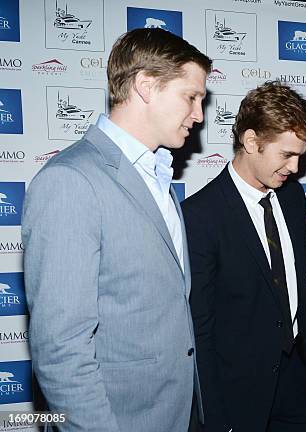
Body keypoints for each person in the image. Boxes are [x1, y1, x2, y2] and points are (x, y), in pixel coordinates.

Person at [22, 28, 211, 431]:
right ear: (146, 86)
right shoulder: (71, 181)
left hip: (177, 414)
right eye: (191, 97)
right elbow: (61, 351)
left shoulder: (159, 176)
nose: (199, 115)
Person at [182, 81, 306, 432]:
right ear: (251, 142)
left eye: (301, 156)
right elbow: (199, 330)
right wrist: (215, 416)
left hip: (295, 378)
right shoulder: (200, 216)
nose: (295, 168)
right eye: (287, 155)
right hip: (238, 391)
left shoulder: (293, 199)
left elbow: (299, 283)